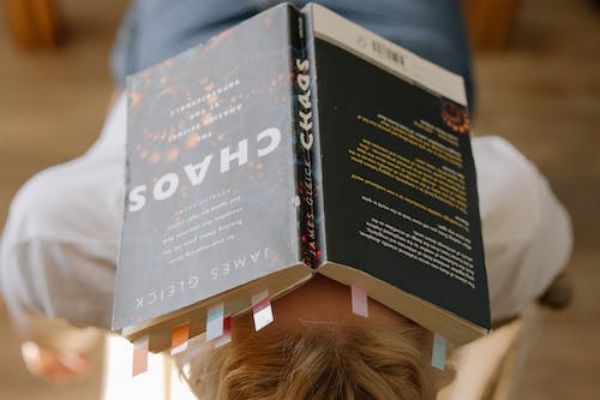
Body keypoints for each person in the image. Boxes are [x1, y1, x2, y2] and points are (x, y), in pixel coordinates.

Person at [0, 1, 573, 398]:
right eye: (368, 278)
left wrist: (47, 343)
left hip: (190, 44)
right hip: (399, 31)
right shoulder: (502, 231)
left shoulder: (76, 243)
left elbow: (34, 264)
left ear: (192, 361)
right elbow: (542, 249)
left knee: (148, 37)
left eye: (260, 284)